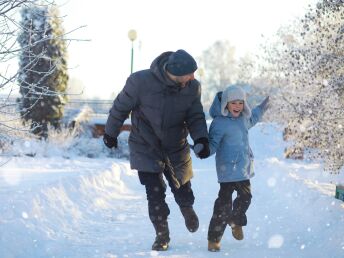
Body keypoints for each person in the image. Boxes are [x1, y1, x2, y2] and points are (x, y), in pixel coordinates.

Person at [103, 49, 210, 251]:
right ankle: (162, 235)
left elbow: (196, 116)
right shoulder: (140, 82)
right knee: (154, 193)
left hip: (176, 144)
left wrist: (201, 139)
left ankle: (186, 208)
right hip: (145, 145)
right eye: (190, 73)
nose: (193, 77)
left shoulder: (192, 87)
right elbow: (120, 107)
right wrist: (110, 133)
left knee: (182, 186)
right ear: (176, 73)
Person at [203, 85, 269, 252]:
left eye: (241, 102)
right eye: (234, 103)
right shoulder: (219, 123)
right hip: (227, 171)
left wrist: (262, 107)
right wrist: (203, 150)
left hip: (243, 169)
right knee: (223, 206)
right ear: (226, 103)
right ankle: (214, 238)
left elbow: (254, 117)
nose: (238, 106)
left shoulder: (244, 118)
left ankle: (236, 221)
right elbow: (212, 145)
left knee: (246, 198)